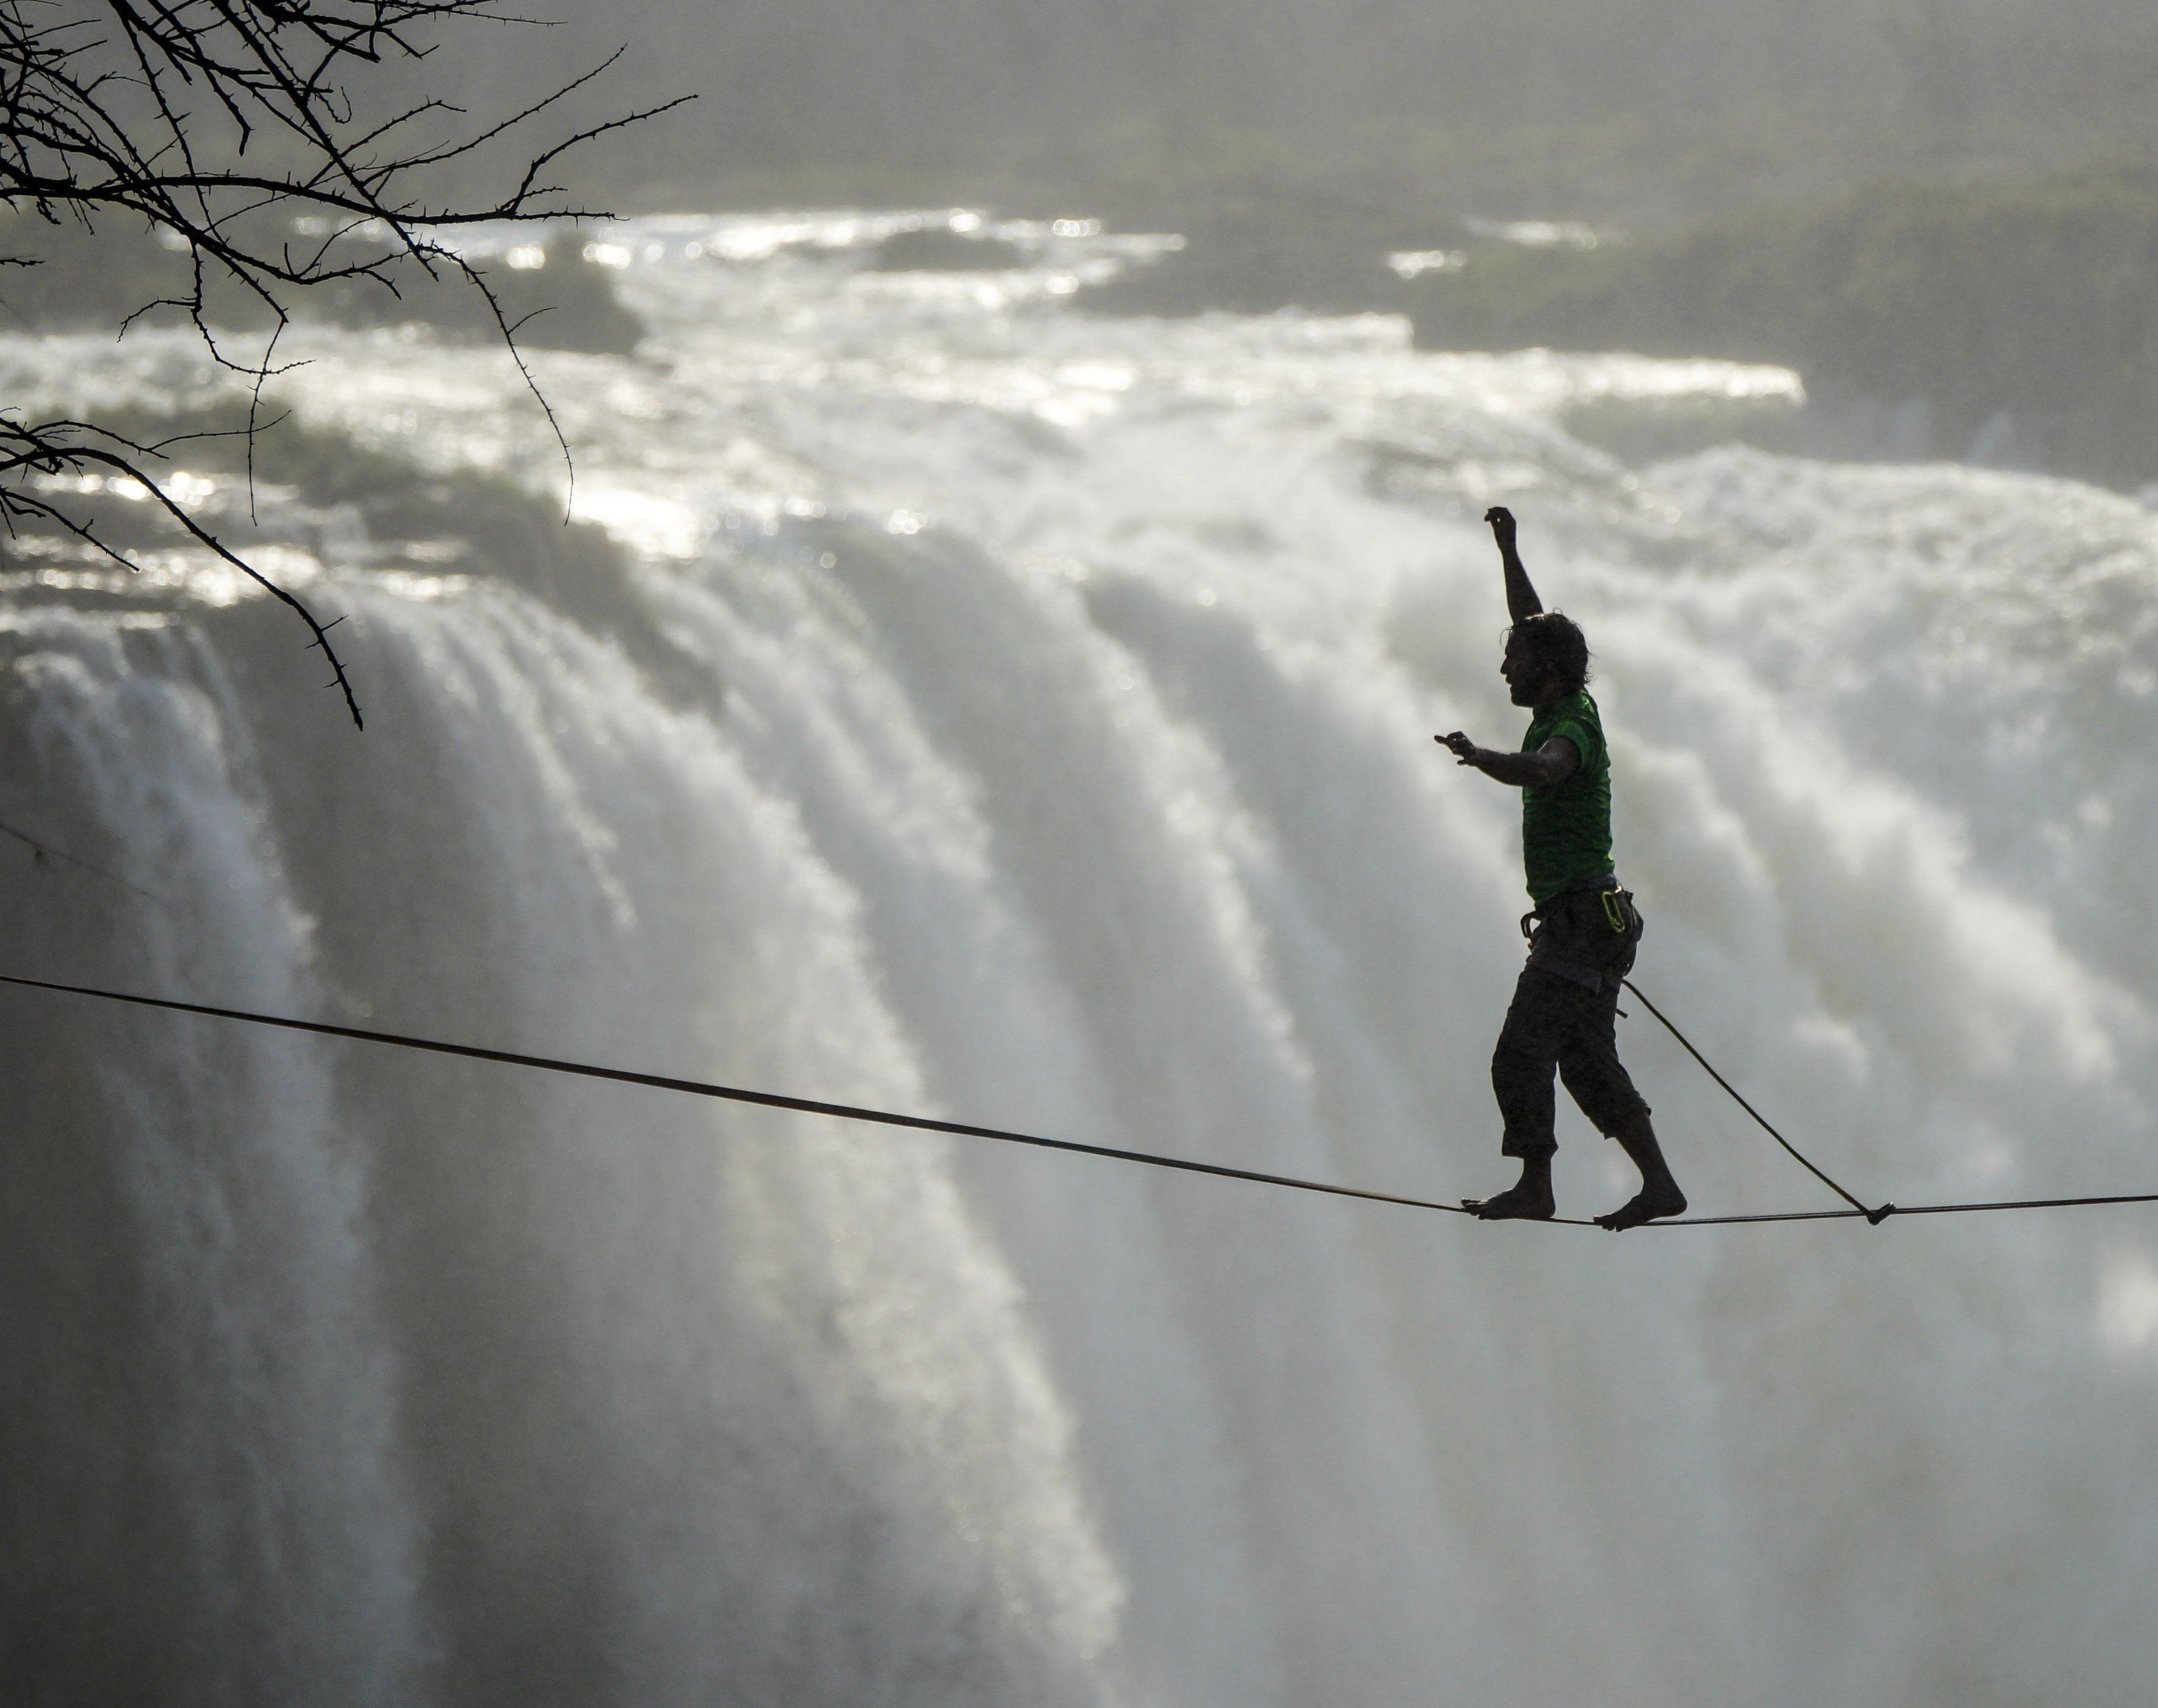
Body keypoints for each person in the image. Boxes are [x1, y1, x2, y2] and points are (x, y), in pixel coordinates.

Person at [1436, 506, 1686, 1229]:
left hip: (1580, 925)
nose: (1503, 668)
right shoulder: (1564, 698)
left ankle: (1535, 1186)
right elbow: (1530, 619)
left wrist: (1482, 757)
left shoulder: (1569, 728)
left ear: (1544, 671)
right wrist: (1508, 549)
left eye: (1513, 660)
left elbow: (1546, 770)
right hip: (1593, 921)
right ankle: (1660, 1185)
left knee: (1520, 1054)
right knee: (1584, 1062)